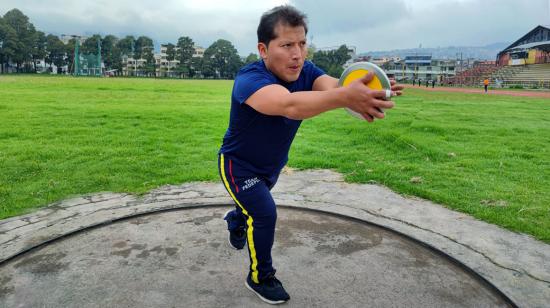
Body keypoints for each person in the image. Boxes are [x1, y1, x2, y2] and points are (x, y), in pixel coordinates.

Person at [217, 5, 403, 305]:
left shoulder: (307, 70)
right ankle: (260, 276)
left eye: (302, 43)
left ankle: (235, 220)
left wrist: (367, 90)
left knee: (251, 210)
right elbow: (290, 105)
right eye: (287, 45)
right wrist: (345, 96)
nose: (297, 54)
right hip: (238, 167)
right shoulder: (249, 80)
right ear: (264, 50)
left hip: (271, 166)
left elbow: (333, 86)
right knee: (264, 213)